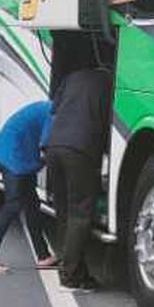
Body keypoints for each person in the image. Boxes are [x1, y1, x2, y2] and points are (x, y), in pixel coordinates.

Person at [46, 67, 112, 293]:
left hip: (53, 145)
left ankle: (75, 270)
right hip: (81, 150)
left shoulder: (72, 75)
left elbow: (54, 109)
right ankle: (70, 277)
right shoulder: (111, 83)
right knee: (80, 214)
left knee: (64, 212)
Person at [0, 100, 58, 274]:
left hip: (18, 154)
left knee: (32, 205)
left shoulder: (51, 107)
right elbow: (46, 150)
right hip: (12, 156)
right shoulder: (54, 114)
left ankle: (43, 256)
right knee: (13, 205)